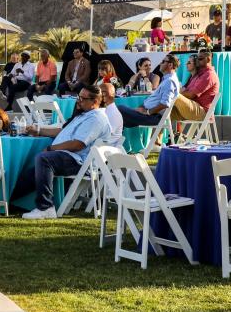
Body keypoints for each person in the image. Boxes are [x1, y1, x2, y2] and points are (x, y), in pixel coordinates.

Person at [21, 86, 112, 220]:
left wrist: (51, 149)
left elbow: (77, 144)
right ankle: (9, 200)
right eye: (78, 97)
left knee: (44, 159)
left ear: (95, 101)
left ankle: (45, 207)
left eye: (83, 98)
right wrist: (39, 131)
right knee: (30, 172)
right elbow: (62, 131)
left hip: (78, 161)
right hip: (68, 155)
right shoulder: (85, 114)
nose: (78, 101)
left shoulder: (96, 119)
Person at [117, 56, 182, 128]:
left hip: (154, 116)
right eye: (146, 65)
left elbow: (165, 103)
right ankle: (115, 136)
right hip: (150, 114)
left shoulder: (169, 81)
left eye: (163, 61)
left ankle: (112, 136)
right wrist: (141, 108)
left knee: (119, 109)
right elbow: (128, 88)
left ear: (170, 65)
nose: (160, 63)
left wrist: (147, 112)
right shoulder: (167, 79)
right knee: (121, 119)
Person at [172, 51, 219, 122]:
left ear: (208, 59)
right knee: (164, 111)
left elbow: (191, 95)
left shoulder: (209, 75)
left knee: (174, 95)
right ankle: (164, 133)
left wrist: (173, 93)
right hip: (194, 107)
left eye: (200, 59)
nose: (197, 61)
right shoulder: (199, 75)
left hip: (202, 112)